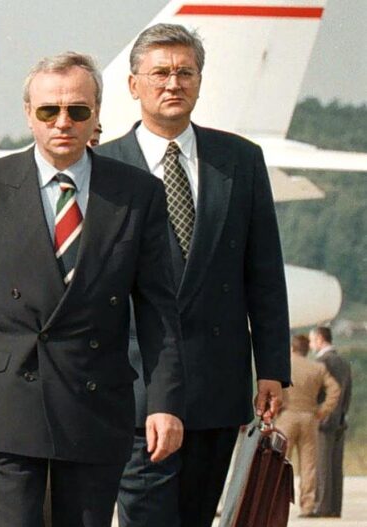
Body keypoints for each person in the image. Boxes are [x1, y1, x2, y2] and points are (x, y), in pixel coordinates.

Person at [0, 52, 184, 527]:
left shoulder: (137, 192)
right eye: (49, 110)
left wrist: (165, 403)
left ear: (96, 115)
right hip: (7, 403)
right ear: (29, 114)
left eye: (77, 110)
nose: (63, 122)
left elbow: (158, 311)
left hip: (95, 403)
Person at [96, 23, 290, 527]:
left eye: (185, 72)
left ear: (200, 82)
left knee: (199, 517)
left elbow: (263, 273)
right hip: (131, 387)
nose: (172, 83)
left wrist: (272, 366)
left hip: (216, 384)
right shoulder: (102, 166)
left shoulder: (240, 161)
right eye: (159, 72)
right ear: (134, 84)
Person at [275, 334, 340, 517]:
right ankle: (307, 506)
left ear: (292, 348)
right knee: (309, 464)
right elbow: (335, 389)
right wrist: (323, 410)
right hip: (310, 417)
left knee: (280, 462)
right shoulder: (317, 367)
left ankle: (276, 502)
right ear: (307, 349)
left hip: (286, 417)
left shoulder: (285, 365)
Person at [310, 325, 353, 517]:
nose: (311, 345)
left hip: (323, 419)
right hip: (340, 420)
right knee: (336, 465)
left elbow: (316, 393)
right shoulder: (344, 362)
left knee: (322, 465)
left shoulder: (321, 362)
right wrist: (342, 413)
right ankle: (335, 506)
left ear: (320, 339)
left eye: (312, 340)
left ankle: (322, 506)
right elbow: (348, 392)